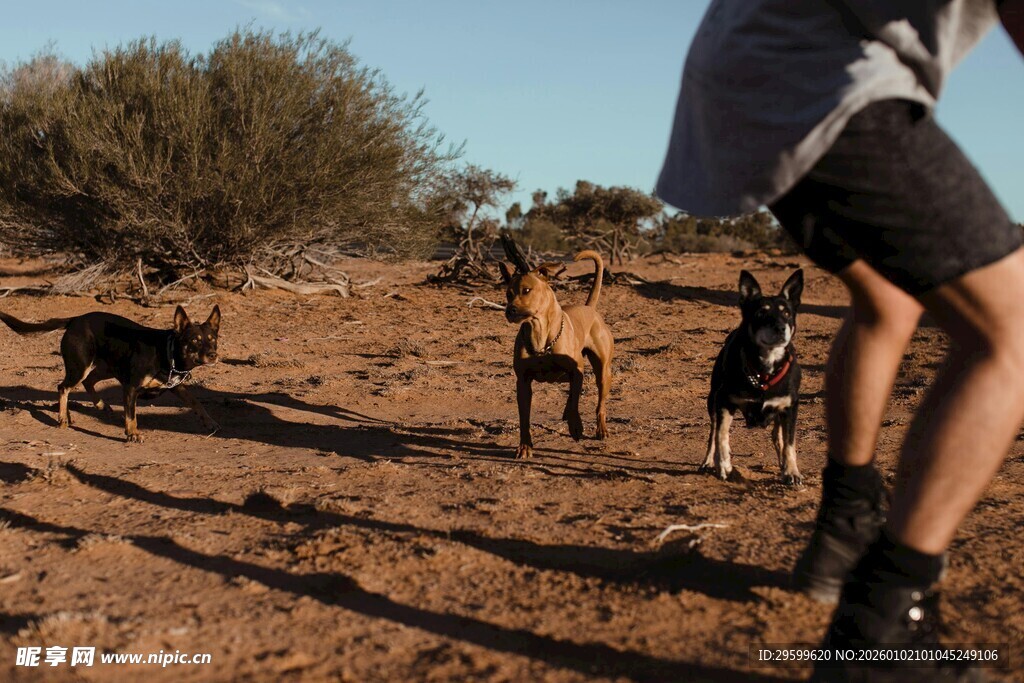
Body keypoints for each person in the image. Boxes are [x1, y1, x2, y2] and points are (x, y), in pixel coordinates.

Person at [656, 1, 1024, 681]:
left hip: (747, 68)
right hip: (821, 83)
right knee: (1012, 332)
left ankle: (845, 524)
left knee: (889, 299)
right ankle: (881, 624)